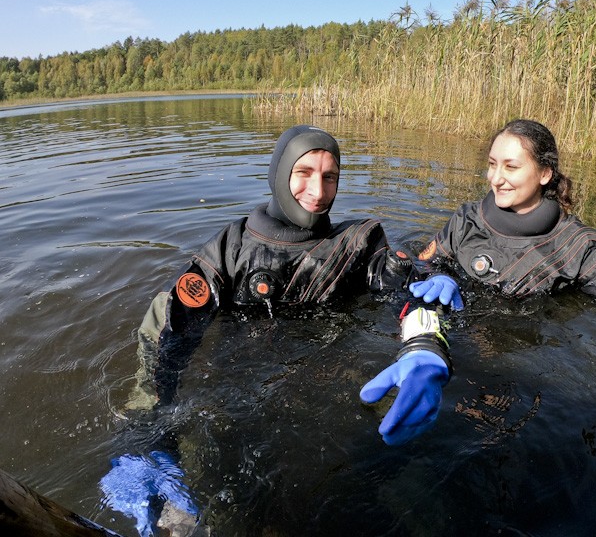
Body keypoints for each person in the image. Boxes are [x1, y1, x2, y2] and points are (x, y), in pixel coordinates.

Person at [105, 125, 457, 536]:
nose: (318, 190)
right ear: (279, 172)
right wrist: (143, 430)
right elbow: (171, 329)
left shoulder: (359, 243)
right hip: (240, 399)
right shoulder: (230, 248)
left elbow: (410, 292)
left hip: (328, 394)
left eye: (330, 177)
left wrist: (426, 344)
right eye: (304, 172)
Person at [408, 119, 596, 411]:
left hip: (527, 361)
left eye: (511, 167)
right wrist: (438, 274)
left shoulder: (576, 244)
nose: (495, 178)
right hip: (455, 348)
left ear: (544, 173)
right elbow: (426, 262)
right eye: (492, 164)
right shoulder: (466, 220)